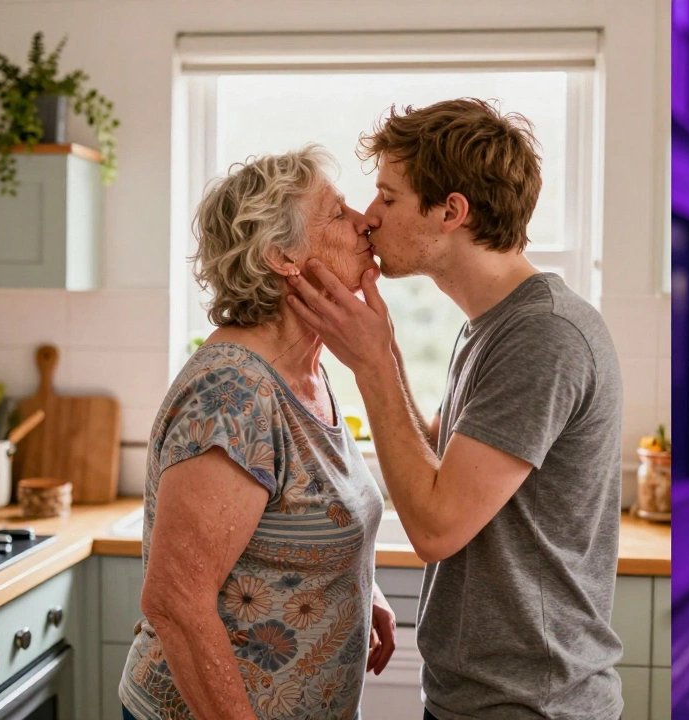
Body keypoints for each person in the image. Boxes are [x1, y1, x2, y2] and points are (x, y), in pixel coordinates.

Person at [285, 98, 625, 720]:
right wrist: (381, 351)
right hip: (483, 698)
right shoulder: (490, 326)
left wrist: (373, 364)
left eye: (388, 197)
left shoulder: (544, 336)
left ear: (451, 211)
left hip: (529, 705)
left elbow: (435, 528)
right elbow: (438, 465)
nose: (368, 217)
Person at [119, 146, 397, 720]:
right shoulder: (235, 394)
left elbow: (298, 514)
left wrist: (359, 589)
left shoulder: (307, 368)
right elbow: (174, 601)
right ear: (281, 256)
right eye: (338, 213)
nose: (364, 220)